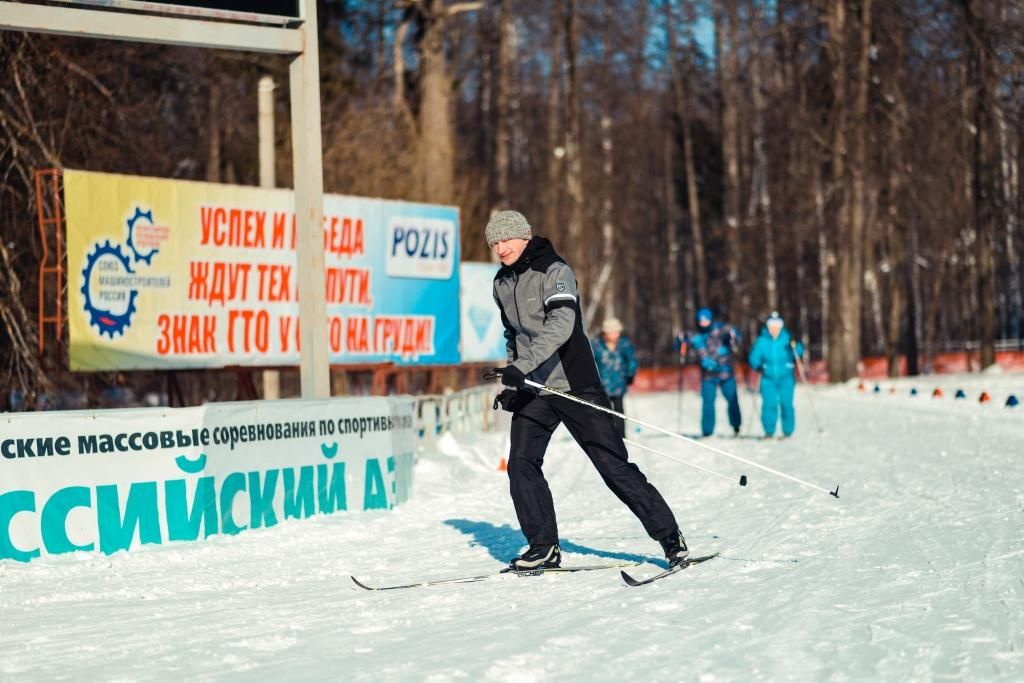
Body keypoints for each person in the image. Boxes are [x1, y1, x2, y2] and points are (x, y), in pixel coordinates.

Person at [486, 210, 688, 570]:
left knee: (613, 467)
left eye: (507, 239)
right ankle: (543, 546)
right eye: (495, 242)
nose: (501, 248)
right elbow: (513, 336)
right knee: (521, 464)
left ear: (525, 236)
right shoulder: (501, 283)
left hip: (575, 385)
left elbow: (562, 325)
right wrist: (517, 379)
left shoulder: (554, 271)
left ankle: (670, 537)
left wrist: (522, 366)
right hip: (536, 389)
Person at [748, 311, 805, 438]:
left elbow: (799, 352)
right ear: (768, 327)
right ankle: (769, 431)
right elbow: (753, 357)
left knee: (786, 404)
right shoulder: (762, 341)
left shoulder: (787, 338)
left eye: (777, 326)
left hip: (786, 377)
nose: (774, 328)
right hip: (768, 378)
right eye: (772, 326)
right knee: (769, 404)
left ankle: (788, 431)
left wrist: (796, 344)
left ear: (781, 326)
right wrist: (757, 365)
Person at [689, 307, 742, 437]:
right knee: (708, 402)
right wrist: (680, 341)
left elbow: (736, 337)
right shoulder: (696, 336)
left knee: (732, 399)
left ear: (711, 319)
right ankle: (707, 431)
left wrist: (733, 336)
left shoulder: (722, 329)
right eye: (700, 320)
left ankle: (736, 425)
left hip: (726, 372)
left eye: (706, 319)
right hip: (708, 375)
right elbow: (684, 344)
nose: (703, 322)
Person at [590, 317, 638, 437]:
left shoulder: (624, 344)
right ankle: (605, 435)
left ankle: (621, 436)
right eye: (612, 332)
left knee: (619, 410)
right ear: (605, 332)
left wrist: (630, 374)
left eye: (617, 332)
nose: (616, 334)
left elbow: (631, 360)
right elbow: (590, 362)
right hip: (602, 384)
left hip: (619, 383)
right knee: (603, 411)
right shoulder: (596, 345)